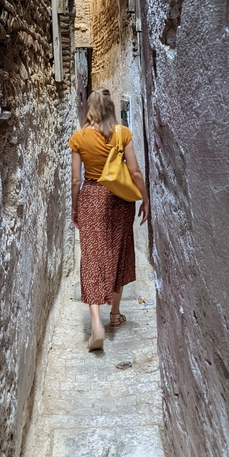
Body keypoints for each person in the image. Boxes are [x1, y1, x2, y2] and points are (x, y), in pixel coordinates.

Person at [68, 88, 149, 351]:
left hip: (91, 198)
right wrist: (145, 199)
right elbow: (135, 171)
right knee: (117, 252)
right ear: (110, 108)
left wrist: (75, 207)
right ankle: (115, 315)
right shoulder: (122, 133)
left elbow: (76, 180)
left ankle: (96, 324)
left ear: (89, 109)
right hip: (119, 199)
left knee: (91, 256)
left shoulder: (79, 138)